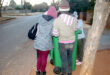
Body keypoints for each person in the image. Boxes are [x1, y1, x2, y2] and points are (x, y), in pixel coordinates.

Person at [52, 0, 78, 75]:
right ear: (68, 8)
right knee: (70, 58)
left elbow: (55, 34)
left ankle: (63, 73)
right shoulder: (74, 19)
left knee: (64, 59)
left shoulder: (56, 20)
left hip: (62, 43)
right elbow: (75, 29)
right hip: (71, 42)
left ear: (60, 9)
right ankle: (69, 73)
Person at [34, 6, 57, 75]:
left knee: (40, 57)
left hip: (38, 41)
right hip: (46, 42)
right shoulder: (53, 21)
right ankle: (42, 71)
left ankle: (38, 71)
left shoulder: (40, 18)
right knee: (44, 58)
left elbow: (37, 30)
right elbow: (53, 33)